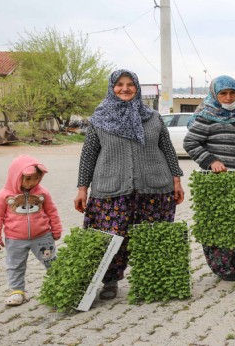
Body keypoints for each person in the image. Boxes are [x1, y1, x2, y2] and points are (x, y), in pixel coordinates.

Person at [74, 69, 185, 300]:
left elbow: (167, 149)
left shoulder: (152, 117)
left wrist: (177, 180)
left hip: (154, 187)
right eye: (119, 84)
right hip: (111, 188)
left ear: (137, 87)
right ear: (111, 87)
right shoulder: (99, 119)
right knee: (111, 236)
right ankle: (110, 281)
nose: (125, 88)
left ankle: (153, 280)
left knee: (153, 236)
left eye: (130, 84)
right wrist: (82, 188)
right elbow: (88, 155)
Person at [183, 75, 235, 282]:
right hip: (219, 180)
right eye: (223, 93)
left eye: (232, 92)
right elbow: (191, 143)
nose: (228, 97)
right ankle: (221, 267)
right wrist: (210, 160)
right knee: (221, 224)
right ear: (215, 94)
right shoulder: (206, 116)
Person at [0, 155, 63, 306]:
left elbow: (52, 212)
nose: (32, 183)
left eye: (36, 179)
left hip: (42, 237)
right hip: (15, 239)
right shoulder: (4, 196)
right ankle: (17, 291)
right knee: (15, 265)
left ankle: (60, 285)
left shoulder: (43, 193)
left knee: (51, 262)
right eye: (28, 179)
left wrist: (56, 229)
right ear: (15, 176)